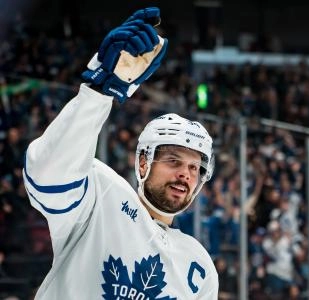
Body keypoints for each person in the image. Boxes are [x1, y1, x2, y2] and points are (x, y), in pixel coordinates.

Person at [22, 7, 218, 299]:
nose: (185, 174)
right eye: (174, 160)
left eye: (194, 168)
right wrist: (99, 93)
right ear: (143, 162)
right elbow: (47, 176)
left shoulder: (200, 267)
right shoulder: (102, 195)